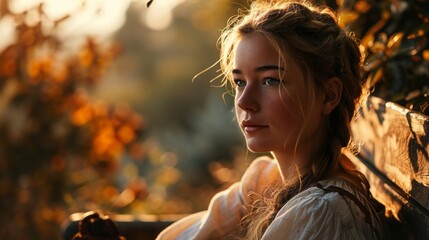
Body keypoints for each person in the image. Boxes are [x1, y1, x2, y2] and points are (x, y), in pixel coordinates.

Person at [157, 1, 386, 239]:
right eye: (239, 82)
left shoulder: (320, 213)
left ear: (329, 96)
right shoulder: (268, 182)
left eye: (270, 80)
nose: (244, 102)